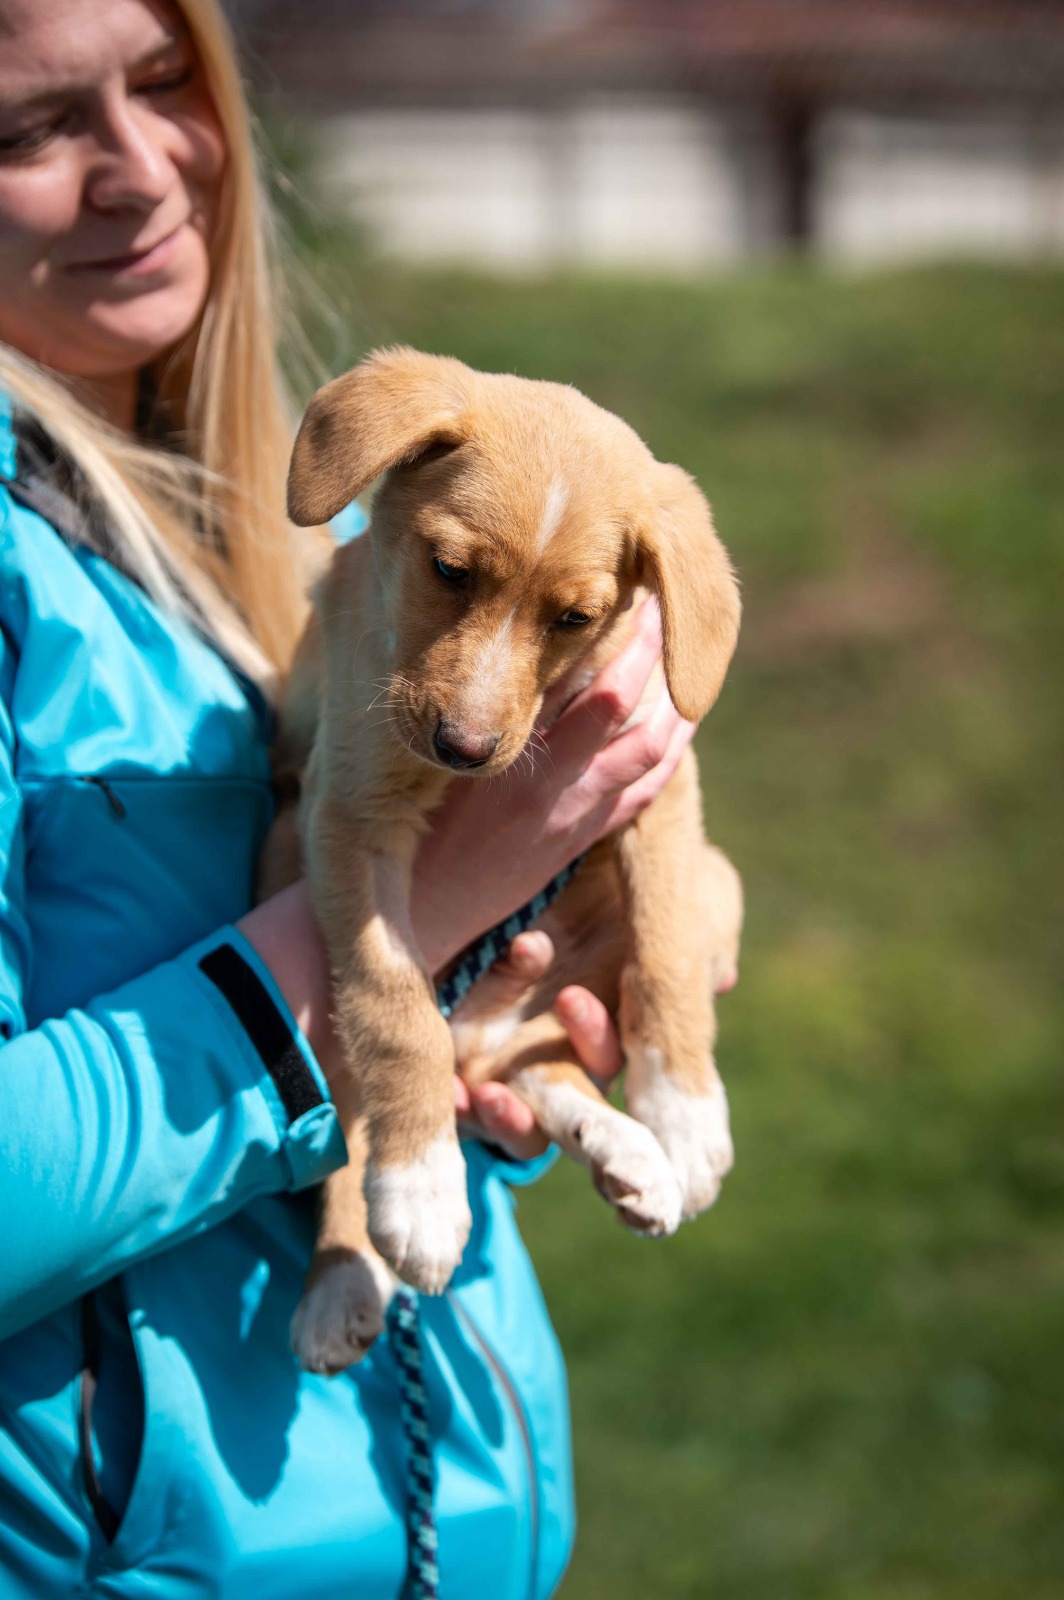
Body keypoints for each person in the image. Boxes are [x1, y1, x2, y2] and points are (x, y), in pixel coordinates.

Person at [0, 1, 696, 1595]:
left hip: (430, 1529)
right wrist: (413, 914)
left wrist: (495, 1051)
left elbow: (297, 1122)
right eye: (28, 127)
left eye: (168, 80)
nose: (142, 166)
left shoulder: (304, 507)